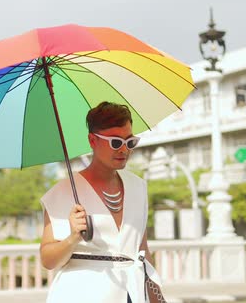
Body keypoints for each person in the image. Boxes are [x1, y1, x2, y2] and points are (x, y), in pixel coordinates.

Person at [40, 101, 166, 303]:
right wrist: (72, 237)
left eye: (130, 142)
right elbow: (47, 260)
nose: (124, 150)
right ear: (92, 140)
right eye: (116, 142)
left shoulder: (138, 187)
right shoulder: (62, 193)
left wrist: (157, 298)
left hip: (132, 293)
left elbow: (142, 252)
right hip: (81, 294)